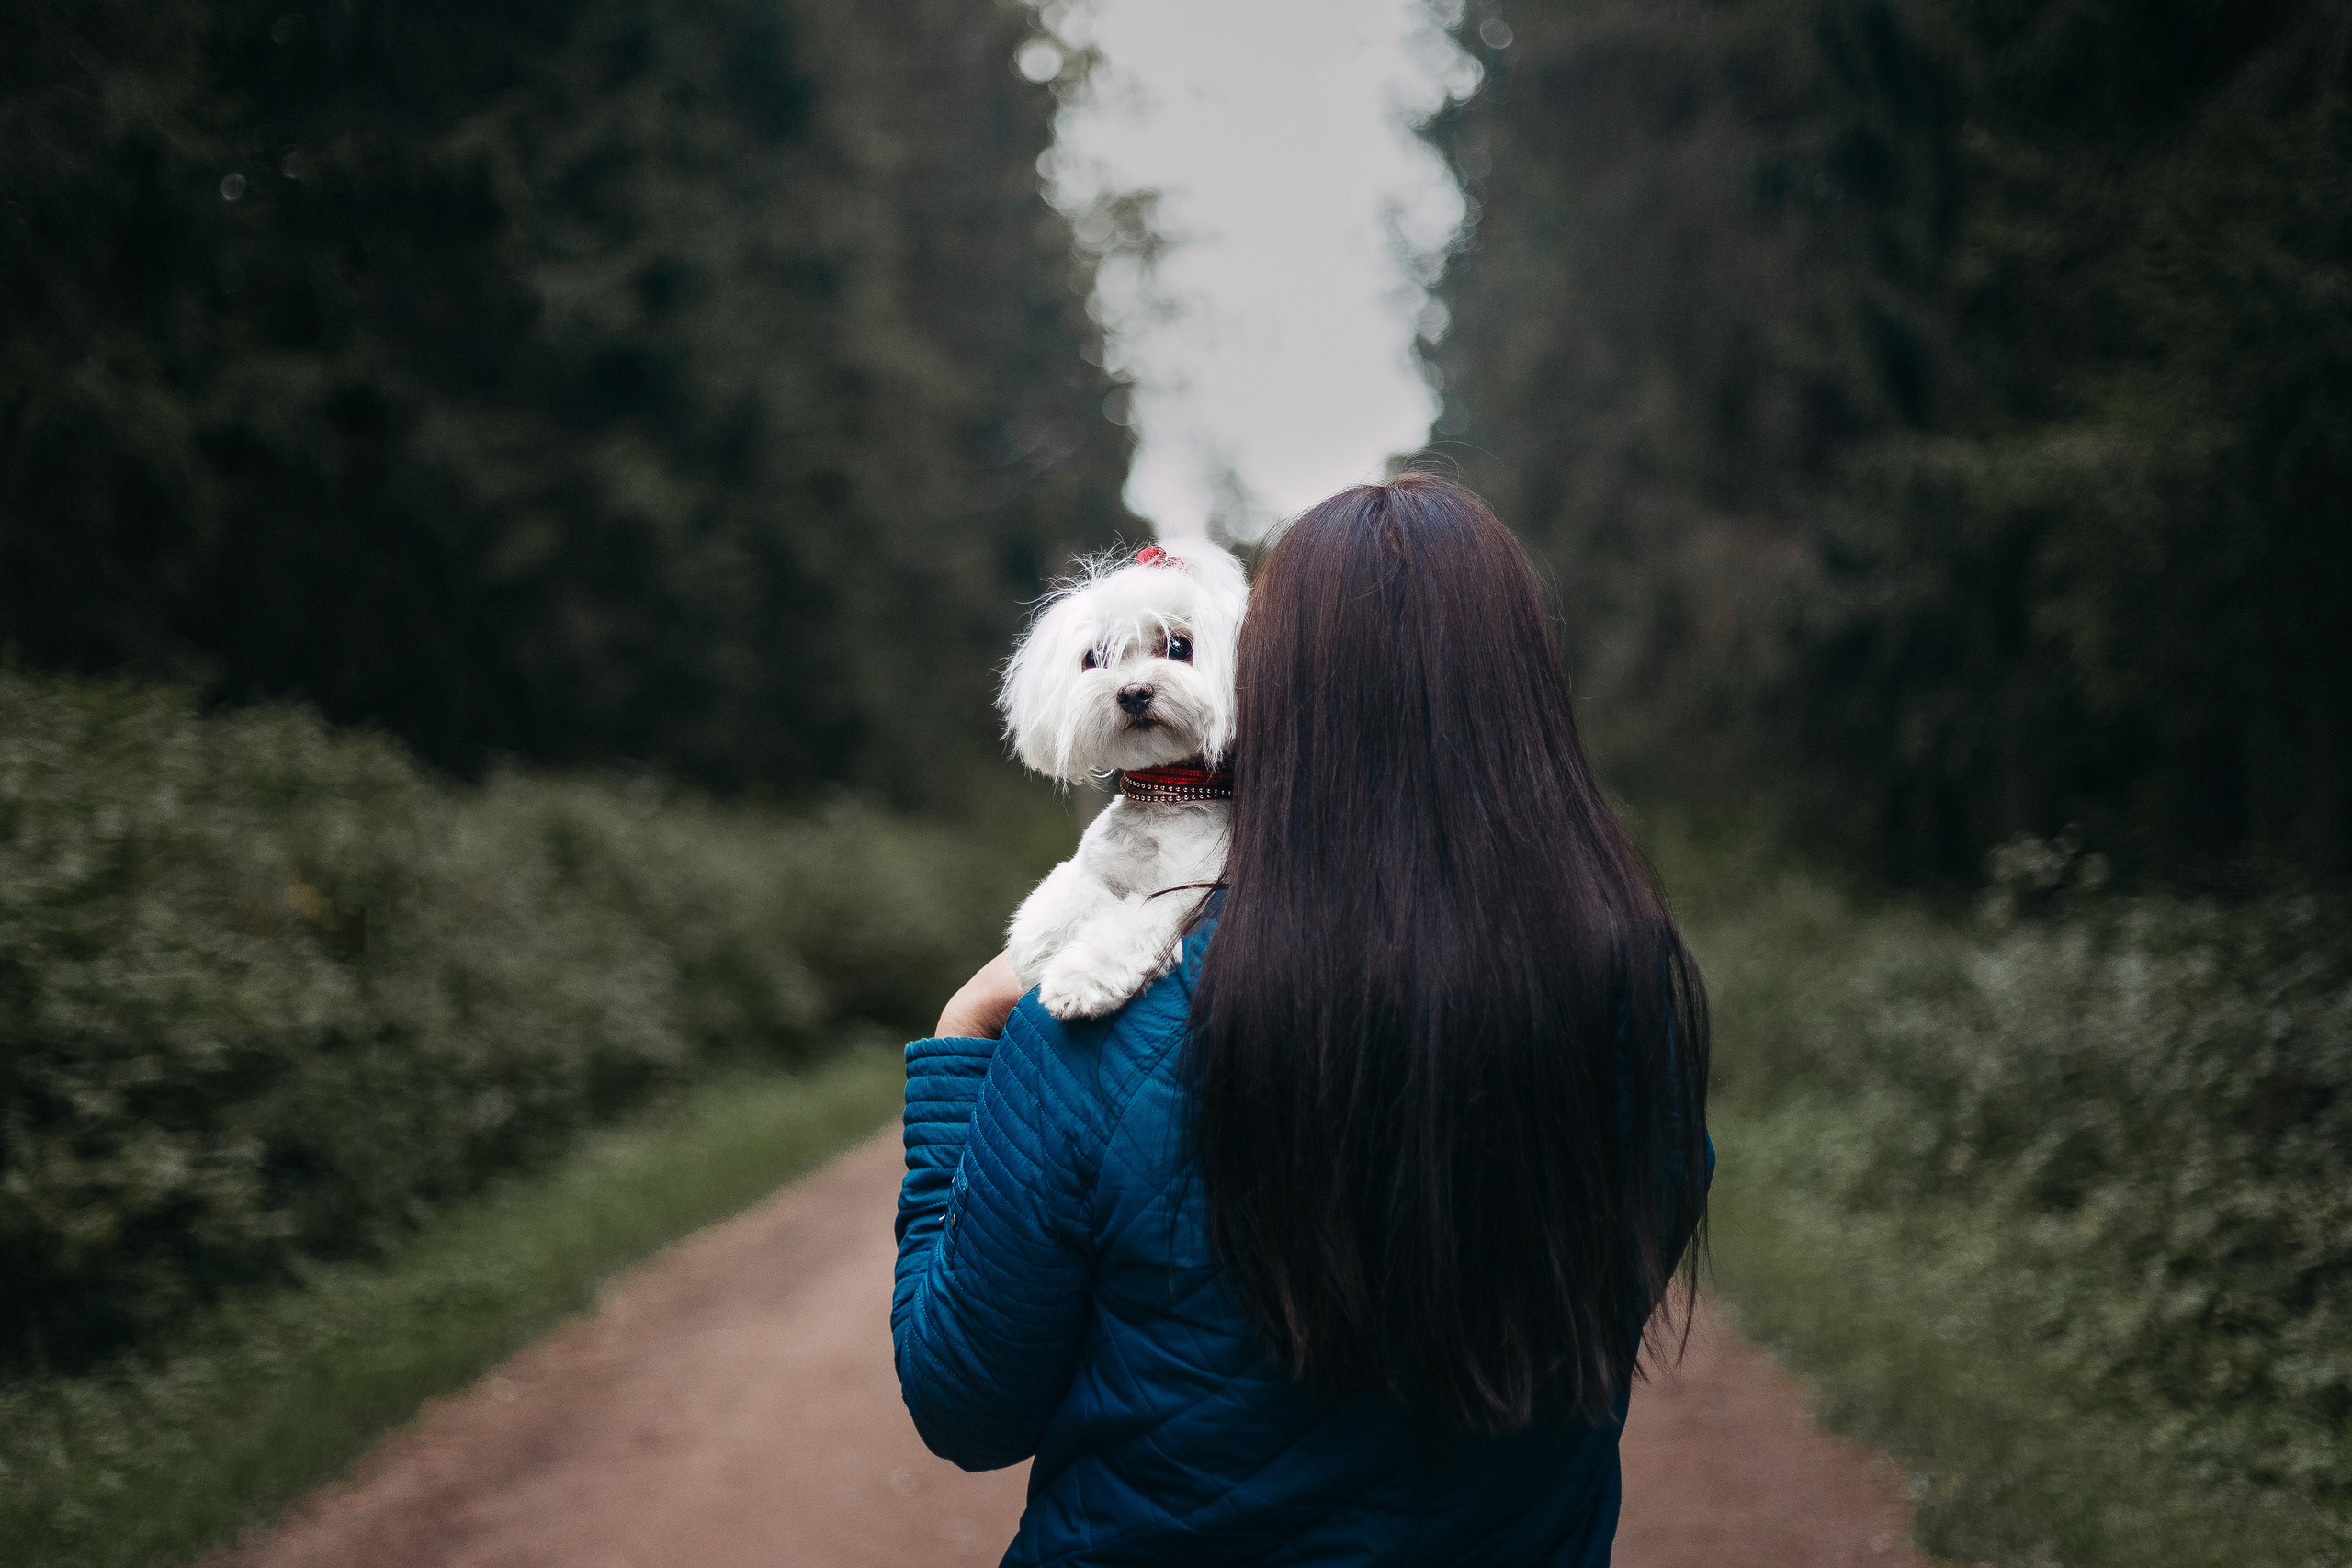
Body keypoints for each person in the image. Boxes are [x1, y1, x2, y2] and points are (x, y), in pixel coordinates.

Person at [894, 474, 1713, 1565]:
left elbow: (965, 1400)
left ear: (1268, 688)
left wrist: (958, 1043)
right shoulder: (1621, 996)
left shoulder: (1098, 1022)